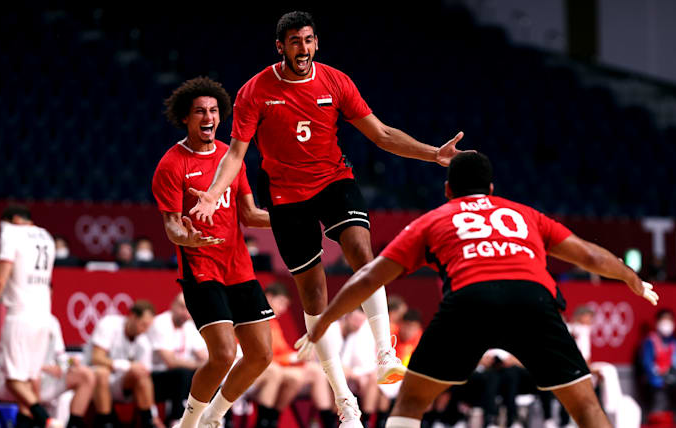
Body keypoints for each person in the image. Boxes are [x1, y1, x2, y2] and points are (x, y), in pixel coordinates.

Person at [188, 12, 470, 425]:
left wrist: (434, 155)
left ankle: (384, 352)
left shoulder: (336, 81)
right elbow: (235, 154)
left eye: (308, 40)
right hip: (285, 195)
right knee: (314, 293)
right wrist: (214, 194)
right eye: (294, 41)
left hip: (334, 180)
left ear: (316, 42)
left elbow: (381, 134)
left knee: (361, 250)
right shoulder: (255, 91)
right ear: (280, 47)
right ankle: (344, 400)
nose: (302, 48)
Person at [306, 152, 660, 428]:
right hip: (533, 300)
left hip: (470, 301)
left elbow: (369, 277)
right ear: (491, 189)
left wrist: (324, 320)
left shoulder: (432, 220)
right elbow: (589, 255)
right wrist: (630, 277)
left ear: (447, 190)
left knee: (411, 402)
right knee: (585, 406)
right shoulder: (525, 214)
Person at [152, 76, 275, 428]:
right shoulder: (172, 164)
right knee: (223, 354)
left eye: (214, 110)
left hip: (238, 267)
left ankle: (213, 418)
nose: (208, 117)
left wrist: (296, 220)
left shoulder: (230, 157)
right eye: (200, 112)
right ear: (185, 118)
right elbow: (171, 226)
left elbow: (249, 214)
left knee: (261, 355)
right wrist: (187, 239)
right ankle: (188, 424)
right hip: (201, 268)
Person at [0, 205, 56, 428]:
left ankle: (46, 419)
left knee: (13, 379)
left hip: (20, 315)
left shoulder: (11, 233)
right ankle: (29, 424)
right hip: (44, 315)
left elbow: (1, 278)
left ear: (14, 219)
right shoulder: (46, 236)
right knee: (31, 377)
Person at [253, 283, 337, 428]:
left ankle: (328, 422)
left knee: (314, 371)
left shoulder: (274, 322)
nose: (283, 309)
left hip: (278, 364)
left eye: (285, 305)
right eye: (281, 303)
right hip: (261, 367)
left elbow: (282, 350)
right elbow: (262, 353)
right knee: (281, 373)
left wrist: (299, 355)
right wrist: (293, 358)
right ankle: (265, 421)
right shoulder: (256, 319)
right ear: (268, 297)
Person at [0, 314, 96, 428]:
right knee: (32, 377)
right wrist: (43, 368)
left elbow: (61, 358)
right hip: (15, 382)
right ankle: (39, 420)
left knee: (86, 375)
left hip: (46, 380)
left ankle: (74, 424)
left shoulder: (52, 321)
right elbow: (14, 366)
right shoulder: (17, 321)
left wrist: (69, 362)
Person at [88, 300, 158, 428]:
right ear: (132, 316)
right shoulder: (109, 324)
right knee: (102, 373)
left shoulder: (145, 341)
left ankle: (149, 421)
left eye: (148, 326)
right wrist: (127, 366)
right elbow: (96, 358)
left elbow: (146, 376)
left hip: (121, 385)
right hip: (91, 379)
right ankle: (106, 422)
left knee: (141, 375)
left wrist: (155, 415)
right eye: (143, 324)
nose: (145, 330)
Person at [148, 293, 208, 425]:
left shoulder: (189, 326)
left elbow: (204, 355)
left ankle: (212, 420)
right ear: (173, 305)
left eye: (189, 310)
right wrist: (200, 365)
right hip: (155, 377)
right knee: (184, 374)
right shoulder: (160, 323)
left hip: (180, 376)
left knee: (210, 375)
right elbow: (170, 362)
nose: (185, 314)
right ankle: (177, 419)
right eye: (182, 307)